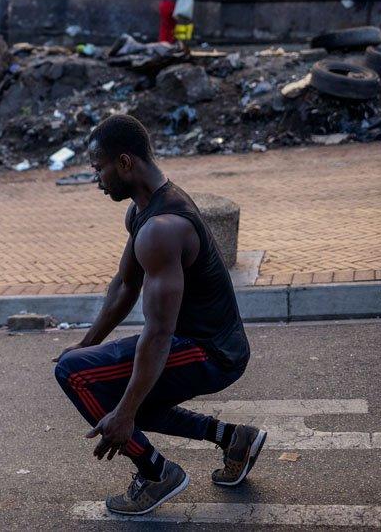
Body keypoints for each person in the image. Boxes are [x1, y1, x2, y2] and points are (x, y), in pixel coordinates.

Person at [53, 115, 265, 516]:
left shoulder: (163, 229)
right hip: (202, 343)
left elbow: (158, 333)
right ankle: (234, 439)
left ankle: (155, 473)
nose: (97, 180)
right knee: (94, 376)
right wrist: (85, 343)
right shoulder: (142, 212)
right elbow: (124, 285)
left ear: (126, 162)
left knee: (76, 375)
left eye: (100, 168)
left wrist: (125, 414)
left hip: (212, 352)